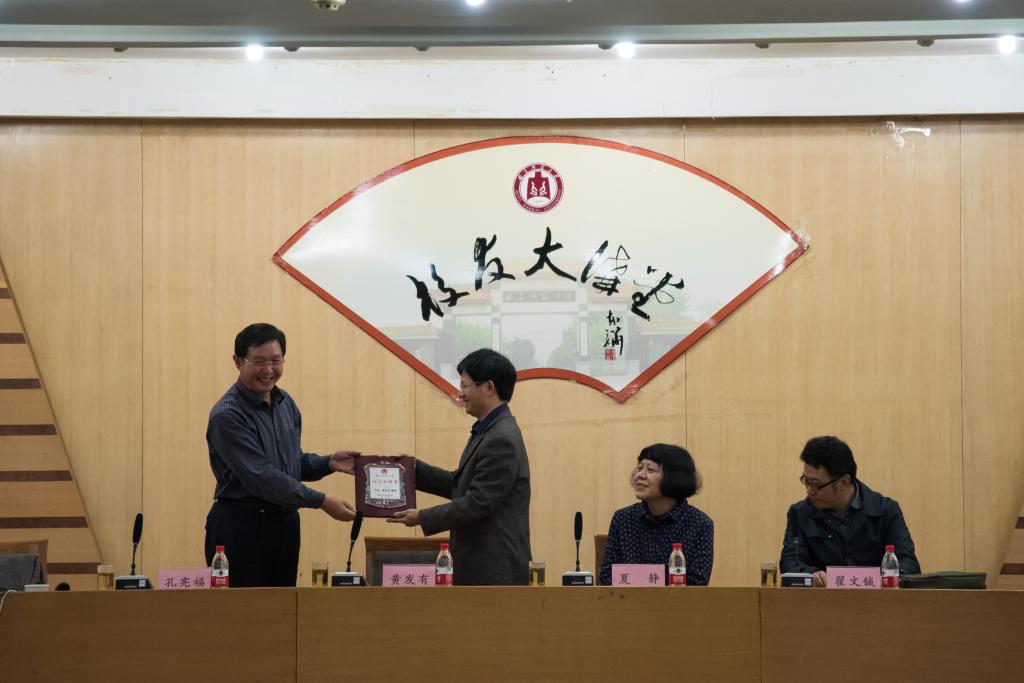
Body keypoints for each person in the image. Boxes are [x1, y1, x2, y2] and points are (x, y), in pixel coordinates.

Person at [339, 348, 531, 585]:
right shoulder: (489, 431)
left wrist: (422, 517)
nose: (461, 393)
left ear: (489, 388)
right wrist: (412, 470)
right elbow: (459, 485)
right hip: (483, 567)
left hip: (495, 571)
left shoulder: (500, 438)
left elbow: (478, 502)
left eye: (465, 385)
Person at [204, 323, 358, 587]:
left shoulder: (285, 403)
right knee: (243, 609)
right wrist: (322, 501)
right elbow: (263, 477)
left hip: (284, 526)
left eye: (275, 361)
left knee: (284, 607)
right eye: (258, 361)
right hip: (242, 527)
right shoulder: (227, 415)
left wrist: (328, 462)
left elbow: (290, 463)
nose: (268, 370)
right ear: (238, 361)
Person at [779, 435, 920, 586]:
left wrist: (884, 580)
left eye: (816, 484)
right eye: (806, 481)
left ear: (844, 482)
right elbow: (790, 562)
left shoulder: (885, 511)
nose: (809, 490)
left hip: (877, 598)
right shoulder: (799, 514)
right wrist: (811, 574)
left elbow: (908, 565)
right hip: (822, 598)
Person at [599, 443, 714, 586]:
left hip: (677, 601)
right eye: (640, 468)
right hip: (627, 600)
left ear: (674, 477)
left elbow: (696, 583)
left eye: (650, 470)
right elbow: (607, 576)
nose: (640, 475)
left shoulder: (699, 524)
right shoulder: (623, 519)